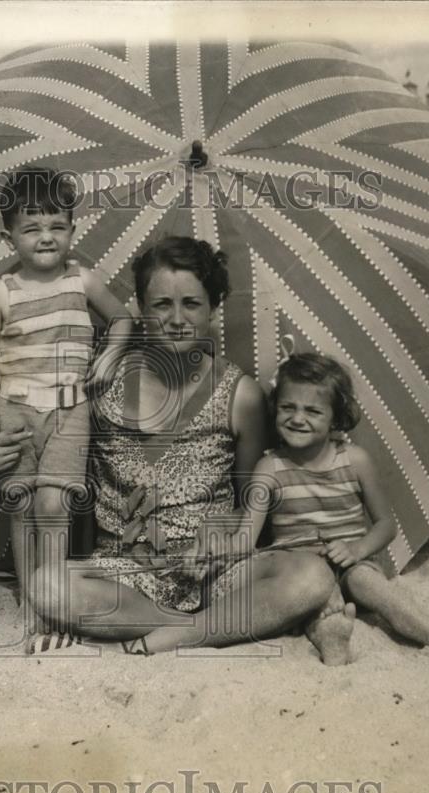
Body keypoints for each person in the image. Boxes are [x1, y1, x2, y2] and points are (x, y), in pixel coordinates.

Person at [25, 236, 337, 654]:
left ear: (213, 308)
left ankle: (172, 634)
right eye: (161, 305)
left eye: (191, 304)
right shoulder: (104, 380)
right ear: (138, 306)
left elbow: (251, 496)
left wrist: (221, 532)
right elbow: (56, 455)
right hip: (124, 573)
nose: (176, 319)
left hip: (215, 570)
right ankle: (196, 628)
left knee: (312, 575)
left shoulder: (240, 395)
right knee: (47, 585)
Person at [0, 166, 133, 650]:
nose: (46, 237)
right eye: (32, 228)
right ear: (9, 237)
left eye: (57, 226)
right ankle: (27, 601)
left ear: (72, 229)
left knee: (53, 503)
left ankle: (54, 596)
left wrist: (110, 354)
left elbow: (124, 319)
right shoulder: (3, 291)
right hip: (15, 406)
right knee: (21, 504)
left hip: (68, 408)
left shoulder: (82, 280)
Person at [233, 352, 429, 662]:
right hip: (301, 573)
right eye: (287, 407)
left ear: (335, 417)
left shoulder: (355, 460)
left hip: (353, 562)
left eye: (313, 411)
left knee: (367, 582)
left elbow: (386, 524)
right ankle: (332, 639)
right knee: (317, 601)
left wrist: (356, 549)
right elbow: (246, 536)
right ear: (274, 408)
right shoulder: (269, 467)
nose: (297, 418)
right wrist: (215, 553)